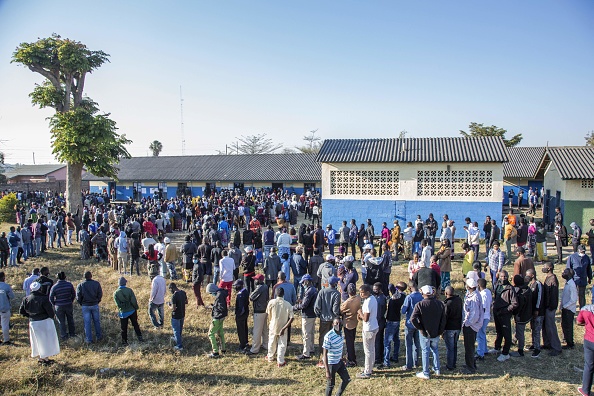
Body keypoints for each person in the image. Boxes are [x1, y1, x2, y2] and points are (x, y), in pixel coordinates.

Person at [410, 285, 446, 380]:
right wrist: (440, 330)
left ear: (423, 293)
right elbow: (443, 319)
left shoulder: (420, 304)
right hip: (436, 331)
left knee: (425, 351)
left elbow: (412, 318)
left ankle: (426, 372)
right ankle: (437, 369)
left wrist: (420, 328)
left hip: (425, 332)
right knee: (435, 349)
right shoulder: (440, 304)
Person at [19, 281, 60, 365]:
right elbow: (50, 312)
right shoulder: (44, 298)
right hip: (44, 321)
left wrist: (30, 316)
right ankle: (45, 358)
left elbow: (21, 311)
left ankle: (41, 358)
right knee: (45, 340)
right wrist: (51, 317)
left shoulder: (26, 299)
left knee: (36, 341)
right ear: (40, 289)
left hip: (33, 322)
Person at [489, 270, 518, 362]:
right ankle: (497, 347)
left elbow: (515, 303)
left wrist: (506, 310)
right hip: (496, 312)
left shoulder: (510, 288)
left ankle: (505, 353)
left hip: (504, 314)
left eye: (505, 276)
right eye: (501, 276)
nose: (503, 278)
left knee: (506, 333)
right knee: (499, 331)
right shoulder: (497, 285)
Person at [315, 276, 341, 368]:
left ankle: (322, 357)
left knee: (323, 338)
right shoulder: (337, 294)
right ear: (334, 284)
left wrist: (320, 315)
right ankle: (333, 357)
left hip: (324, 319)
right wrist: (337, 316)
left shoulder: (321, 292)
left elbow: (317, 307)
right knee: (334, 338)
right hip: (333, 320)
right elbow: (335, 309)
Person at [265, 286, 294, 367]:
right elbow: (292, 318)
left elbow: (268, 313)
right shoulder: (288, 304)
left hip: (273, 325)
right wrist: (285, 328)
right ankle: (280, 361)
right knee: (282, 344)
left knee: (271, 341)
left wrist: (270, 322)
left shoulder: (271, 302)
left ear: (275, 294)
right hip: (283, 327)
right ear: (283, 294)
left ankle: (270, 357)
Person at [323, 317, 351, 396]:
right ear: (333, 325)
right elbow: (324, 354)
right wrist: (327, 371)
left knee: (346, 379)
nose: (338, 325)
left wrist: (342, 357)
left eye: (340, 324)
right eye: (336, 324)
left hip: (339, 361)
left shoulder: (341, 333)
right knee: (331, 385)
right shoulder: (328, 336)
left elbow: (340, 346)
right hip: (331, 363)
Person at [462, 278, 484, 374]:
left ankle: (470, 367)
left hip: (471, 326)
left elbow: (474, 315)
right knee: (469, 346)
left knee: (469, 347)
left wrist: (467, 324)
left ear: (468, 287)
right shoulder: (473, 294)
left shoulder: (474, 297)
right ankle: (470, 363)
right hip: (471, 325)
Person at [113, 277, 143, 346]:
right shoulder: (129, 290)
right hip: (132, 311)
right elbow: (134, 301)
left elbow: (118, 305)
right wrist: (136, 308)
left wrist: (124, 307)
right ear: (125, 283)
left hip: (123, 313)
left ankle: (124, 342)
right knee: (135, 324)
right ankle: (140, 337)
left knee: (124, 328)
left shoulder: (116, 293)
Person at [357, 283, 378, 379]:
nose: (361, 294)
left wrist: (360, 312)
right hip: (374, 326)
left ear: (368, 292)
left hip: (368, 329)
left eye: (362, 293)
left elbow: (365, 318)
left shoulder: (369, 301)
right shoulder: (372, 298)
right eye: (360, 293)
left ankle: (367, 372)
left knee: (368, 351)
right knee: (372, 349)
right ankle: (370, 367)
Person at [294, 274, 318, 360]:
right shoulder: (314, 289)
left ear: (307, 281)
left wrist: (295, 307)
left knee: (306, 334)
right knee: (311, 333)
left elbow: (304, 305)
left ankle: (306, 353)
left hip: (307, 315)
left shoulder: (309, 291)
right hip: (312, 314)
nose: (302, 284)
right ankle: (311, 349)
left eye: (303, 282)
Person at [76, 271, 103, 344]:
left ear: (84, 277)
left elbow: (78, 296)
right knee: (97, 321)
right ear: (91, 276)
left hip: (85, 305)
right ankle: (99, 337)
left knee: (87, 323)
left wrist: (81, 303)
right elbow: (100, 293)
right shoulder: (96, 283)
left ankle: (89, 339)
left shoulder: (80, 285)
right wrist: (97, 300)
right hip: (94, 304)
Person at [48, 271, 76, 341]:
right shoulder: (69, 285)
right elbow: (73, 294)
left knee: (61, 321)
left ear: (57, 278)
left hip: (59, 305)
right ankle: (72, 333)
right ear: (65, 277)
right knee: (70, 319)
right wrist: (71, 300)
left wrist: (54, 304)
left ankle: (64, 335)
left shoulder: (54, 287)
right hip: (68, 304)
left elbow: (51, 297)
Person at [542, 262, 562, 356]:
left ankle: (556, 347)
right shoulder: (548, 277)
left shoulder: (553, 279)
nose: (543, 268)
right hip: (547, 306)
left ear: (549, 268)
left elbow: (553, 295)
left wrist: (551, 307)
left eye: (545, 267)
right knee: (546, 326)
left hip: (550, 307)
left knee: (551, 327)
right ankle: (547, 344)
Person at [383, 283, 405, 368]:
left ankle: (386, 362)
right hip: (397, 320)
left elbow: (390, 285)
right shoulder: (403, 296)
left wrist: (394, 288)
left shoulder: (397, 296)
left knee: (387, 342)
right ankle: (395, 356)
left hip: (391, 320)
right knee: (396, 339)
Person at [511, 274, 532, 358]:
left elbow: (518, 306)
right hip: (528, 314)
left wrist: (515, 313)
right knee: (520, 330)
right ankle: (514, 340)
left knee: (520, 333)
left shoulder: (519, 293)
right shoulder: (527, 289)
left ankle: (520, 351)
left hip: (521, 316)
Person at [340, 283, 361, 367]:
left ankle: (352, 360)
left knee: (349, 343)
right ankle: (352, 356)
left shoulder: (347, 302)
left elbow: (340, 311)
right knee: (352, 340)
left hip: (348, 323)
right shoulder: (358, 298)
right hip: (355, 322)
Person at [247, 274, 269, 355]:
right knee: (264, 329)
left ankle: (255, 349)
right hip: (265, 310)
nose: (254, 280)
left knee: (257, 331)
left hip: (258, 311)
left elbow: (251, 297)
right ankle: (266, 344)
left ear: (259, 280)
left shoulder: (259, 288)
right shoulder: (266, 286)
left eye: (256, 279)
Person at [443, 286, 463, 371]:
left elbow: (445, 317)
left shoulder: (447, 304)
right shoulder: (459, 300)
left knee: (450, 348)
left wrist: (442, 329)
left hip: (449, 328)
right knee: (454, 346)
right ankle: (453, 363)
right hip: (457, 327)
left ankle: (450, 365)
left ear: (446, 293)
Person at [526, 268, 545, 358]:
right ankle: (534, 344)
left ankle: (537, 348)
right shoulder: (531, 284)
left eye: (528, 275)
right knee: (533, 328)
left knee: (537, 330)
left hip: (538, 312)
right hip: (531, 311)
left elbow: (539, 297)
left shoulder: (538, 284)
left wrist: (537, 309)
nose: (527, 276)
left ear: (532, 275)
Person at [576, 303, 594, 396]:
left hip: (589, 340)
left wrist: (587, 324)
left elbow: (578, 322)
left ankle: (586, 390)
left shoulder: (585, 309)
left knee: (589, 366)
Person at [560, 267, 577, 349]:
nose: (563, 273)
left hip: (569, 310)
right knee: (564, 325)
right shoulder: (567, 283)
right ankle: (566, 340)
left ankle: (570, 344)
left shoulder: (572, 285)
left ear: (570, 274)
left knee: (568, 327)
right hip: (565, 308)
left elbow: (574, 299)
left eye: (565, 272)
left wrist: (565, 306)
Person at [168, 282, 188, 351]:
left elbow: (174, 308)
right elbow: (186, 302)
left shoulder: (174, 296)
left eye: (170, 290)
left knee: (176, 330)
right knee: (180, 329)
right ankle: (177, 338)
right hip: (182, 314)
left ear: (172, 288)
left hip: (176, 315)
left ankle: (179, 346)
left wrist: (169, 305)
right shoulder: (183, 292)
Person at [476, 278, 491, 361]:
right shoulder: (488, 292)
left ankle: (480, 353)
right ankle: (484, 350)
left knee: (480, 335)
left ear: (479, 285)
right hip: (487, 316)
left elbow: (483, 308)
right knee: (483, 333)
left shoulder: (483, 294)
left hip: (483, 317)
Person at [234, 279, 250, 352]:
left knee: (241, 330)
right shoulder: (245, 291)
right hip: (245, 314)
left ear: (240, 286)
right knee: (244, 328)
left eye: (236, 286)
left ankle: (242, 345)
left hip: (241, 315)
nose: (235, 287)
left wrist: (238, 315)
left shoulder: (241, 295)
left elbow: (241, 307)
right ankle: (246, 342)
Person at [0, 272, 15, 344]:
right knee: (5, 324)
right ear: (3, 277)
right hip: (4, 308)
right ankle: (6, 340)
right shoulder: (6, 286)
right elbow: (12, 296)